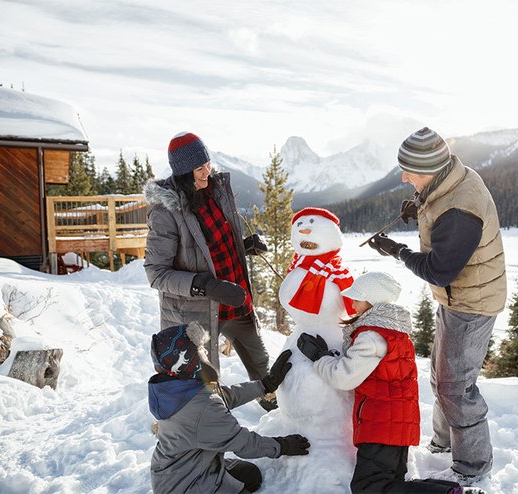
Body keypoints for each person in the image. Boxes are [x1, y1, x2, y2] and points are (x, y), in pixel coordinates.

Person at [367, 127, 507, 487]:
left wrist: (398, 251)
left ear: (428, 168)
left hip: (472, 302)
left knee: (455, 387)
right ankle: (444, 445)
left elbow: (439, 270)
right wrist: (421, 204)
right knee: (441, 378)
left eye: (409, 171)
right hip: (458, 296)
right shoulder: (447, 180)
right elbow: (441, 203)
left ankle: (472, 468)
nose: (403, 178)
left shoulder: (460, 209)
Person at [297, 272, 467, 494]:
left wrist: (320, 357)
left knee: (368, 488)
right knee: (389, 485)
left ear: (372, 300)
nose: (353, 304)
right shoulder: (393, 331)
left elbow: (344, 377)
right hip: (395, 424)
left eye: (357, 299)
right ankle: (455, 491)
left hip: (381, 424)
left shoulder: (372, 336)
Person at [144, 131, 276, 410]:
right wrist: (206, 285)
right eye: (198, 169)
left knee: (263, 369)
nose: (207, 172)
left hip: (236, 301)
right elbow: (156, 273)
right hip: (197, 314)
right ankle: (211, 435)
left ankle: (279, 416)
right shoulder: (165, 211)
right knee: (205, 389)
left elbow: (209, 248)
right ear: (182, 173)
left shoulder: (216, 191)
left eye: (208, 164)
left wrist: (243, 247)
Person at [148, 321, 310, 494]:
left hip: (187, 467)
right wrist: (283, 445)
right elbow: (244, 444)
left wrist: (264, 385)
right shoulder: (200, 409)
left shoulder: (179, 388)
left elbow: (223, 396)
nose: (205, 352)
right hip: (184, 486)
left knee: (250, 476)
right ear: (187, 360)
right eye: (200, 349)